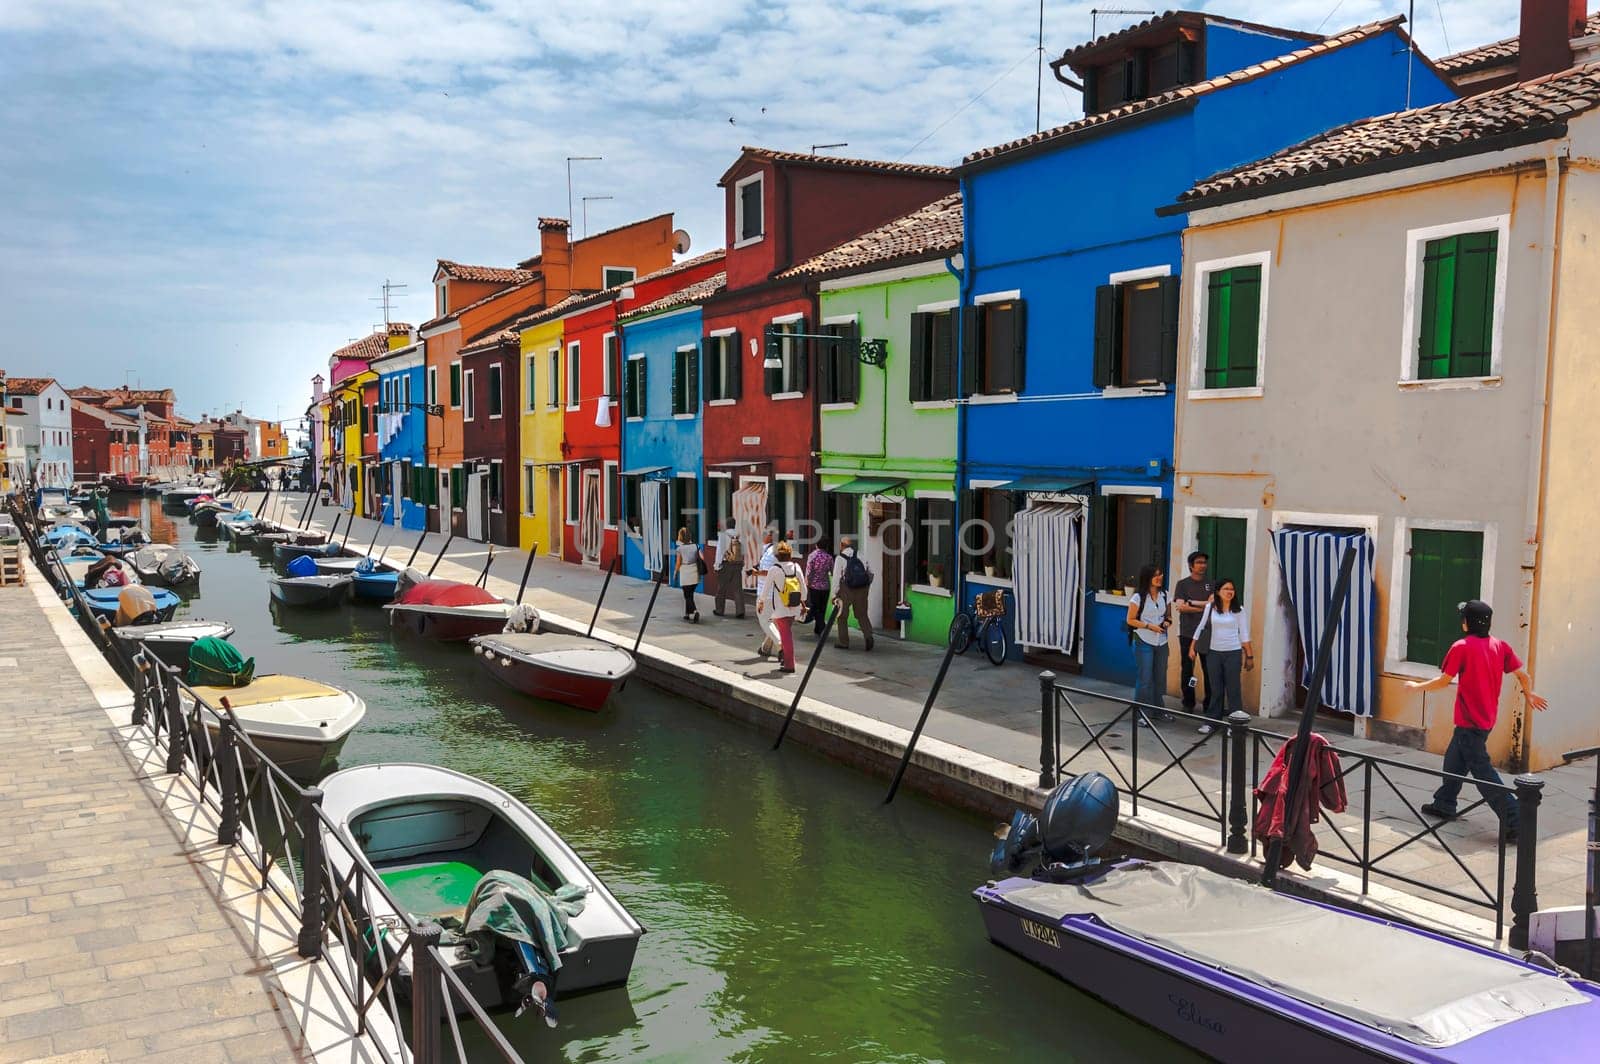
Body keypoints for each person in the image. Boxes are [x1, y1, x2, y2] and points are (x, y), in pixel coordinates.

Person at [1408, 600, 1547, 840]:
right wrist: (1528, 693)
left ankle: (1515, 820)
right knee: (1455, 758)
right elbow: (1523, 674)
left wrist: (1415, 687)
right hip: (1485, 720)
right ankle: (1444, 802)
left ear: (1466, 623)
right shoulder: (1500, 646)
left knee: (1483, 773)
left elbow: (1443, 681)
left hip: (1470, 722)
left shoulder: (1461, 646)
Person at [1189, 579, 1252, 735]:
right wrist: (1192, 647)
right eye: (1226, 589)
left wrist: (1249, 655)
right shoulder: (1210, 607)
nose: (1230, 591)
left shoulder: (1239, 610)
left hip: (1233, 652)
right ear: (1218, 591)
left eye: (1232, 589)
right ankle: (1212, 721)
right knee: (1215, 689)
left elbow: (1244, 633)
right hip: (1213, 653)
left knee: (1233, 689)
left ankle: (1235, 725)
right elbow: (1201, 626)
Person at [1126, 564, 1170, 725]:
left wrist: (1167, 622)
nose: (1159, 578)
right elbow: (1130, 620)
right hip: (1143, 639)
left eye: (1161, 574)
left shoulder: (1165, 595)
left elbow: (1168, 615)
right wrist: (1149, 626)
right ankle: (1140, 714)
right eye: (1155, 575)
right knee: (1144, 678)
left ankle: (1159, 711)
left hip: (1162, 641)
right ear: (1147, 578)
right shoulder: (1138, 597)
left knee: (1160, 678)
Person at [1173, 551, 1215, 719]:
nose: (1202, 565)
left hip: (1206, 633)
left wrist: (1192, 604)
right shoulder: (1183, 585)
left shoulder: (1211, 585)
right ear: (1191, 565)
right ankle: (1188, 702)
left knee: (1208, 670)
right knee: (1188, 670)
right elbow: (1180, 607)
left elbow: (1213, 604)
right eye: (1198, 562)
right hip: (1187, 633)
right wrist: (1205, 607)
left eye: (1204, 562)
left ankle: (1209, 703)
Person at [763, 541, 805, 672]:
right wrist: (803, 602)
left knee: (786, 636)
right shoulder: (796, 567)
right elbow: (803, 588)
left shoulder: (774, 569)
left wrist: (761, 602)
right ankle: (787, 661)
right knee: (786, 633)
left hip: (780, 608)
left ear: (777, 556)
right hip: (794, 606)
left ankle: (789, 664)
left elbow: (766, 589)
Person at [831, 536, 874, 651]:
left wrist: (834, 594)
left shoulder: (840, 558)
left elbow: (836, 578)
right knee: (862, 614)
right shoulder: (860, 555)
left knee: (842, 615)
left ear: (842, 545)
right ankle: (868, 635)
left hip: (846, 589)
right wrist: (866, 586)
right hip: (862, 588)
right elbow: (870, 573)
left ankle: (844, 642)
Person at [751, 530, 779, 657]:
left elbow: (769, 572)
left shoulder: (771, 552)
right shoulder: (771, 550)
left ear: (770, 537)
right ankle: (766, 648)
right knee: (772, 621)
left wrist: (756, 573)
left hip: (766, 593)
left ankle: (780, 644)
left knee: (765, 620)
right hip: (773, 592)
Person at [713, 517, 745, 618]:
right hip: (737, 564)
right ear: (734, 525)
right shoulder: (740, 536)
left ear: (726, 525)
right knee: (738, 589)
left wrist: (717, 565)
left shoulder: (723, 536)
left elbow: (720, 552)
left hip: (726, 564)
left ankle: (719, 610)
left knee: (721, 589)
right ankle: (740, 611)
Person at [803, 537, 834, 636]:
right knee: (822, 607)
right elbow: (832, 571)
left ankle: (820, 627)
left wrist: (807, 582)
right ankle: (819, 627)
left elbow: (809, 571)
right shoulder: (829, 557)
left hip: (814, 586)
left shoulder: (812, 556)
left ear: (817, 545)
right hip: (825, 586)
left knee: (815, 606)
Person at [671, 527, 701, 624]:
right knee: (690, 594)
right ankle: (687, 614)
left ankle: (695, 611)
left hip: (685, 572)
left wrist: (675, 573)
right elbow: (702, 557)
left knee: (687, 595)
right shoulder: (696, 546)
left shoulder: (680, 549)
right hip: (695, 571)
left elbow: (678, 563)